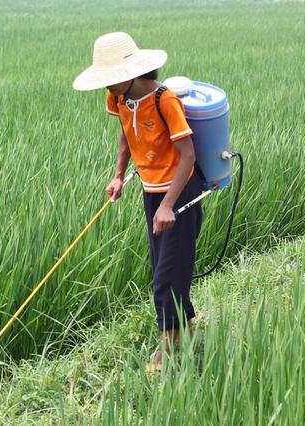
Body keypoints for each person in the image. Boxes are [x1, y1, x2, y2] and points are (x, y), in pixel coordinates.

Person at [73, 32, 203, 372]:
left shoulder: (165, 102)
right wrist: (118, 175)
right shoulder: (119, 97)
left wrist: (167, 205)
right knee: (165, 266)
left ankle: (167, 349)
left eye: (114, 79)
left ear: (132, 73)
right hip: (151, 190)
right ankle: (186, 328)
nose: (110, 86)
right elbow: (126, 136)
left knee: (165, 277)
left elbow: (188, 156)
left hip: (179, 192)